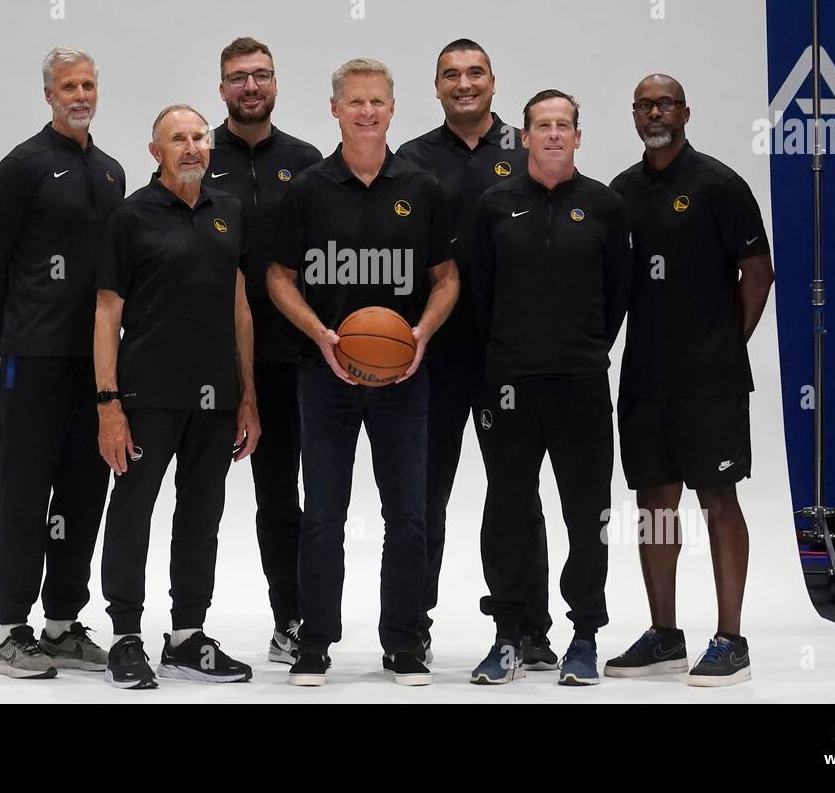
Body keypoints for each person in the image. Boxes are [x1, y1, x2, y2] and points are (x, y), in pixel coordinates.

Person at [267, 58, 458, 686]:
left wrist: (421, 334)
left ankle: (404, 642)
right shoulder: (308, 189)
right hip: (325, 377)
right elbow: (278, 277)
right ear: (334, 110)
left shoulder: (422, 187)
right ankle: (314, 641)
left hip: (405, 380)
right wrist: (320, 334)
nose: (367, 112)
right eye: (355, 102)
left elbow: (446, 277)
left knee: (408, 514)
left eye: (377, 101)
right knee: (323, 513)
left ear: (393, 108)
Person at [607, 74, 775, 687]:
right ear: (633, 115)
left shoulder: (720, 185)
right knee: (654, 504)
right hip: (645, 377)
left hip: (711, 380)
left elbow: (757, 274)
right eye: (645, 104)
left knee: (719, 499)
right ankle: (664, 635)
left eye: (666, 103)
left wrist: (723, 345)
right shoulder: (620, 191)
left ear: (685, 111)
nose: (656, 112)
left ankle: (732, 639)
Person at [396, 39, 555, 669]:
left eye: (475, 73)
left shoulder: (525, 148)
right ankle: (411, 625)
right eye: (451, 75)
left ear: (494, 82)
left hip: (506, 357)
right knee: (422, 495)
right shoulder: (411, 158)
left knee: (515, 492)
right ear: (435, 88)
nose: (464, 84)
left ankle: (528, 625)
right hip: (428, 355)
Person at [94, 104, 260, 689]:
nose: (191, 147)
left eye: (199, 137)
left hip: (216, 398)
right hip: (146, 396)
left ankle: (188, 636)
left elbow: (240, 308)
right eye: (178, 139)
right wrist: (108, 403)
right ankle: (124, 636)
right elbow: (106, 313)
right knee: (134, 511)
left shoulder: (230, 212)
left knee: (201, 515)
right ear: (155, 150)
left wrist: (248, 397)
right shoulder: (130, 217)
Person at [0, 46, 123, 679]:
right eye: (69, 86)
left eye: (88, 84)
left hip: (96, 365)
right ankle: (12, 630)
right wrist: (14, 339)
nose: (80, 94)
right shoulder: (23, 166)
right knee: (28, 490)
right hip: (33, 358)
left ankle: (61, 624)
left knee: (84, 490)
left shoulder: (112, 171)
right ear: (49, 96)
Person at [469, 90, 630, 686]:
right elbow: (480, 296)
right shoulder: (493, 205)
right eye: (543, 125)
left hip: (581, 383)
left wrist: (583, 350)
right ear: (525, 137)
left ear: (578, 137)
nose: (554, 134)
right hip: (508, 384)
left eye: (565, 125)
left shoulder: (606, 207)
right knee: (508, 507)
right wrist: (510, 355)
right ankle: (509, 634)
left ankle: (583, 635)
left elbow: (618, 296)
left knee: (587, 513)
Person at [208, 37, 322, 663]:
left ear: (276, 84)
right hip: (206, 358)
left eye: (260, 76)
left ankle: (293, 619)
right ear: (220, 88)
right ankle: (172, 626)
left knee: (281, 495)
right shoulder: (199, 154)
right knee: (196, 494)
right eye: (237, 78)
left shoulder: (306, 162)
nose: (250, 87)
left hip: (289, 356)